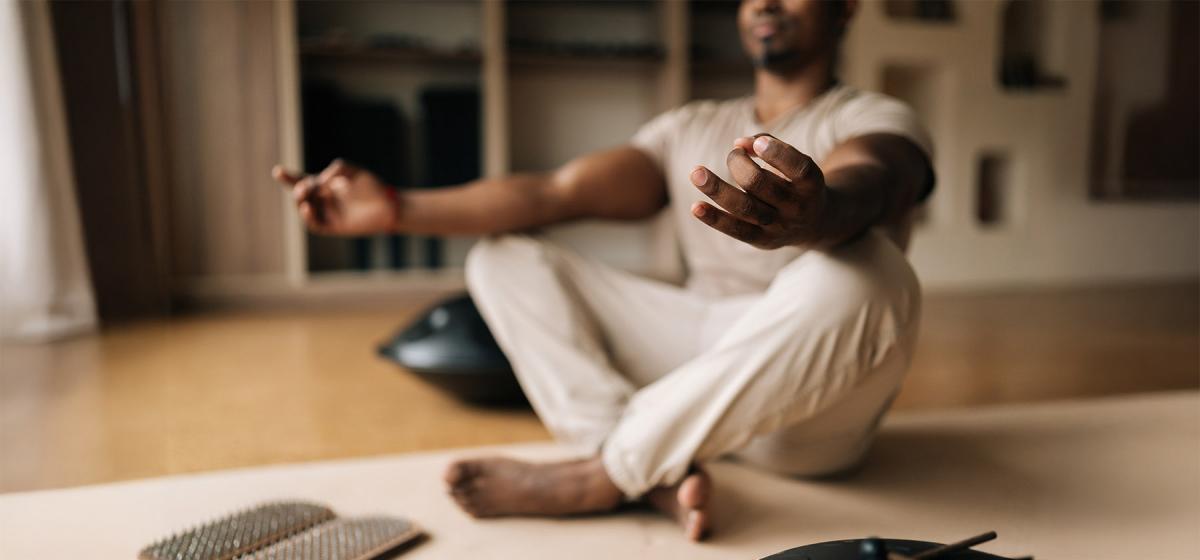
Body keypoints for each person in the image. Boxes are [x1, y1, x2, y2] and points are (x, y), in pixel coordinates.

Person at [272, 0, 933, 542]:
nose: (764, 2)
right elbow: (554, 194)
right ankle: (653, 469)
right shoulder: (690, 127)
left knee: (874, 273)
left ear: (845, 8)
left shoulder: (875, 117)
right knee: (503, 256)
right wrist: (394, 209)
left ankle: (610, 471)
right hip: (695, 353)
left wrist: (816, 214)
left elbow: (876, 177)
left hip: (806, 413)